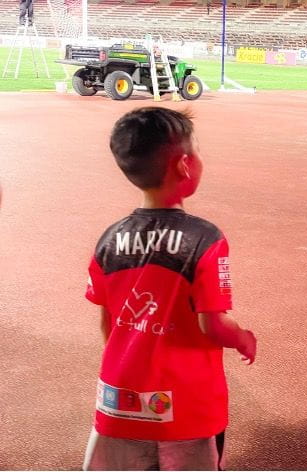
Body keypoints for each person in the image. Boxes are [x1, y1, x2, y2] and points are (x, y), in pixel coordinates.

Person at [82, 107, 257, 470]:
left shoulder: (109, 240)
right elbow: (214, 325)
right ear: (184, 165)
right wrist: (242, 338)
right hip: (189, 408)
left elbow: (108, 322)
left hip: (121, 400)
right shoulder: (205, 239)